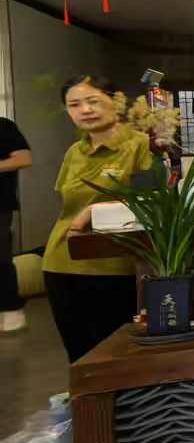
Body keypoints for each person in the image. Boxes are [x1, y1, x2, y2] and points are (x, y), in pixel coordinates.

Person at [43, 76, 159, 363]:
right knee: (79, 355)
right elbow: (65, 204)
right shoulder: (74, 152)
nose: (85, 110)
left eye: (92, 101)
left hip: (114, 265)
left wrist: (93, 211)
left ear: (116, 101)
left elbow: (154, 201)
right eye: (74, 105)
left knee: (117, 357)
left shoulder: (142, 145)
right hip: (61, 262)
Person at [0, 113, 31, 332]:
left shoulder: (4, 126)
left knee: (0, 256)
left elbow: (23, 159)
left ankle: (11, 308)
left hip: (0, 204)